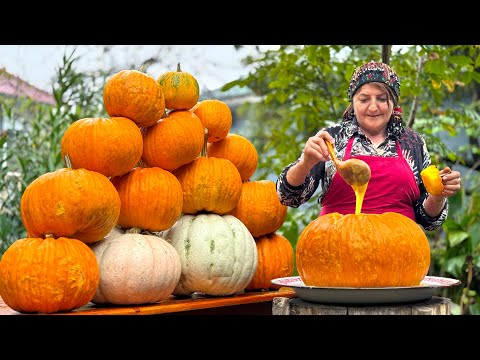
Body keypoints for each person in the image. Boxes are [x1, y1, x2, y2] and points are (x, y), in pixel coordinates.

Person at [276, 60, 462, 231]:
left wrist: (438, 194)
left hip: (400, 253)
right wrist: (305, 163)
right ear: (353, 102)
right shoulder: (331, 138)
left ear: (393, 103)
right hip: (336, 249)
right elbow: (287, 197)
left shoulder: (412, 142)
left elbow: (428, 220)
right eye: (364, 99)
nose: (373, 107)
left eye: (381, 99)